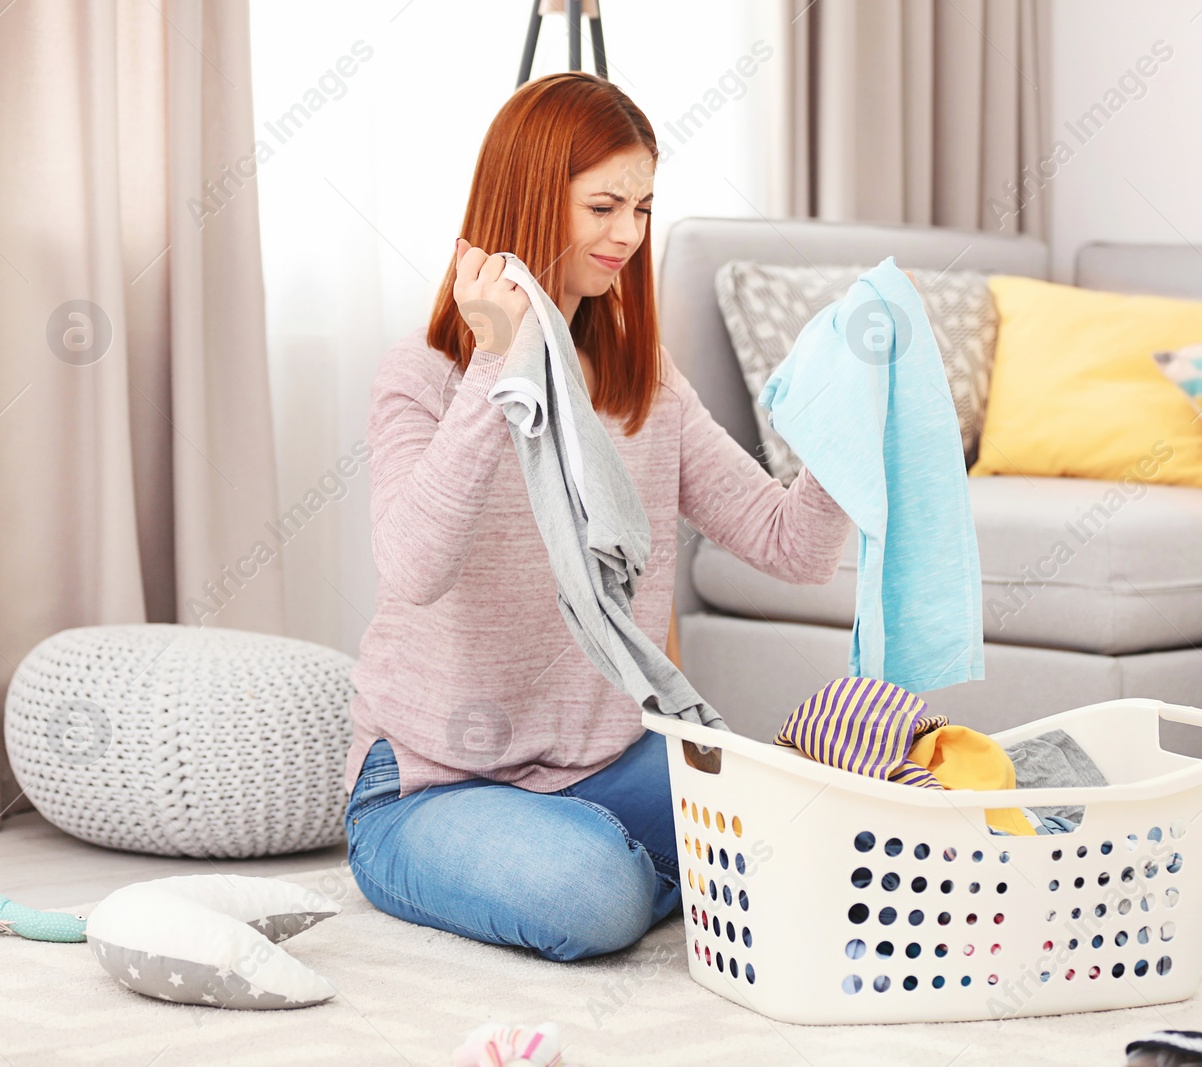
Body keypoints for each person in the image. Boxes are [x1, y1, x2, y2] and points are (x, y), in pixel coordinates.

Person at [342, 71, 852, 962]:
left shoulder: (643, 387)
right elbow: (413, 566)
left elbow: (792, 545)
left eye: (644, 208)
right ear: (533, 200)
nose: (628, 235)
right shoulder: (421, 378)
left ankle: (681, 867)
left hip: (602, 767)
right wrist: (498, 366)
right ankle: (687, 876)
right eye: (604, 206)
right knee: (589, 894)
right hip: (429, 786)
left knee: (814, 822)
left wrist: (851, 430)